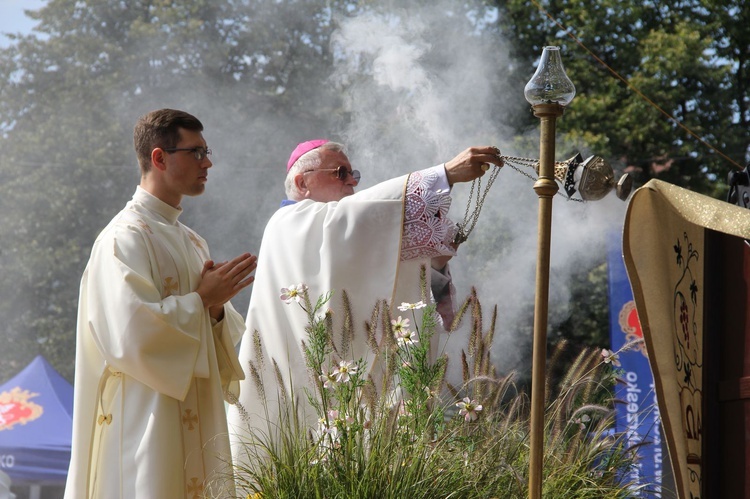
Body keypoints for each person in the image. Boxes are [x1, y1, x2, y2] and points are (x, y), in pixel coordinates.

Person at [228, 140, 502, 453]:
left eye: (353, 173)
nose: (352, 181)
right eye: (339, 172)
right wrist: (445, 174)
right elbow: (352, 218)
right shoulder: (287, 223)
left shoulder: (341, 228)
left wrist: (432, 261)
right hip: (300, 383)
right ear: (302, 182)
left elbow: (395, 280)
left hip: (349, 383)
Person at [64, 109, 257, 499]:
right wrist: (203, 298)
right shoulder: (123, 239)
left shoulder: (192, 240)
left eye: (206, 151)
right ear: (159, 158)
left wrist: (216, 309)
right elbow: (130, 335)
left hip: (196, 416)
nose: (208, 162)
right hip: (146, 420)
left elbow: (213, 332)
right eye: (196, 152)